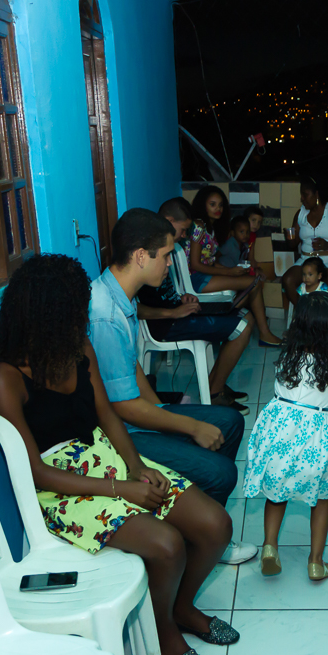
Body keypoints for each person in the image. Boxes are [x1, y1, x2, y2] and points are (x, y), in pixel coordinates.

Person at [0, 254, 237, 655]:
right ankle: (164, 632)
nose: (84, 314)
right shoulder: (5, 379)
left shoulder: (79, 351)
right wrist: (120, 489)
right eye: (76, 306)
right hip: (62, 486)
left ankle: (180, 605)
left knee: (216, 525)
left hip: (106, 458)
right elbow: (35, 474)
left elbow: (108, 416)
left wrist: (136, 467)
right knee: (167, 544)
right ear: (49, 311)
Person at [88, 207, 258, 565]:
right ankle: (205, 535)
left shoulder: (122, 295)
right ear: (140, 256)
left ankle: (206, 529)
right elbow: (120, 407)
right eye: (165, 256)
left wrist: (163, 412)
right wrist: (188, 425)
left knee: (230, 422)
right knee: (222, 471)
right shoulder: (104, 313)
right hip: (116, 432)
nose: (169, 265)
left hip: (132, 415)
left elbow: (128, 368)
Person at [244, 288, 328, 581]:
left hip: (280, 430)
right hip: (316, 438)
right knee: (321, 498)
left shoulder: (288, 353)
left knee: (276, 495)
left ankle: (270, 547)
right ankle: (315, 561)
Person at [138, 199, 254, 414]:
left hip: (177, 314)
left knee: (245, 316)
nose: (185, 236)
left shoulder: (163, 249)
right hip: (166, 325)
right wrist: (173, 312)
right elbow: (135, 308)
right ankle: (215, 393)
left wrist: (182, 299)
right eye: (183, 230)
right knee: (243, 327)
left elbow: (161, 293)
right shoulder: (145, 254)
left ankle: (214, 383)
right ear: (169, 221)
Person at [189, 186, 282, 346]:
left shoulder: (210, 228)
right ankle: (262, 332)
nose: (217, 209)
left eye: (220, 205)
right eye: (212, 204)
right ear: (202, 205)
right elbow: (196, 264)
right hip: (196, 279)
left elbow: (210, 261)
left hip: (204, 275)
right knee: (253, 282)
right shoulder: (198, 226)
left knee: (252, 280)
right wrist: (229, 271)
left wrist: (230, 271)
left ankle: (227, 314)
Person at [280, 176, 328, 302]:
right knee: (287, 280)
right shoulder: (301, 214)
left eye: (305, 195)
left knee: (317, 283)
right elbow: (293, 245)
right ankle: (303, 312)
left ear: (317, 194)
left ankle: (312, 316)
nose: (302, 199)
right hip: (306, 260)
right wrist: (290, 238)